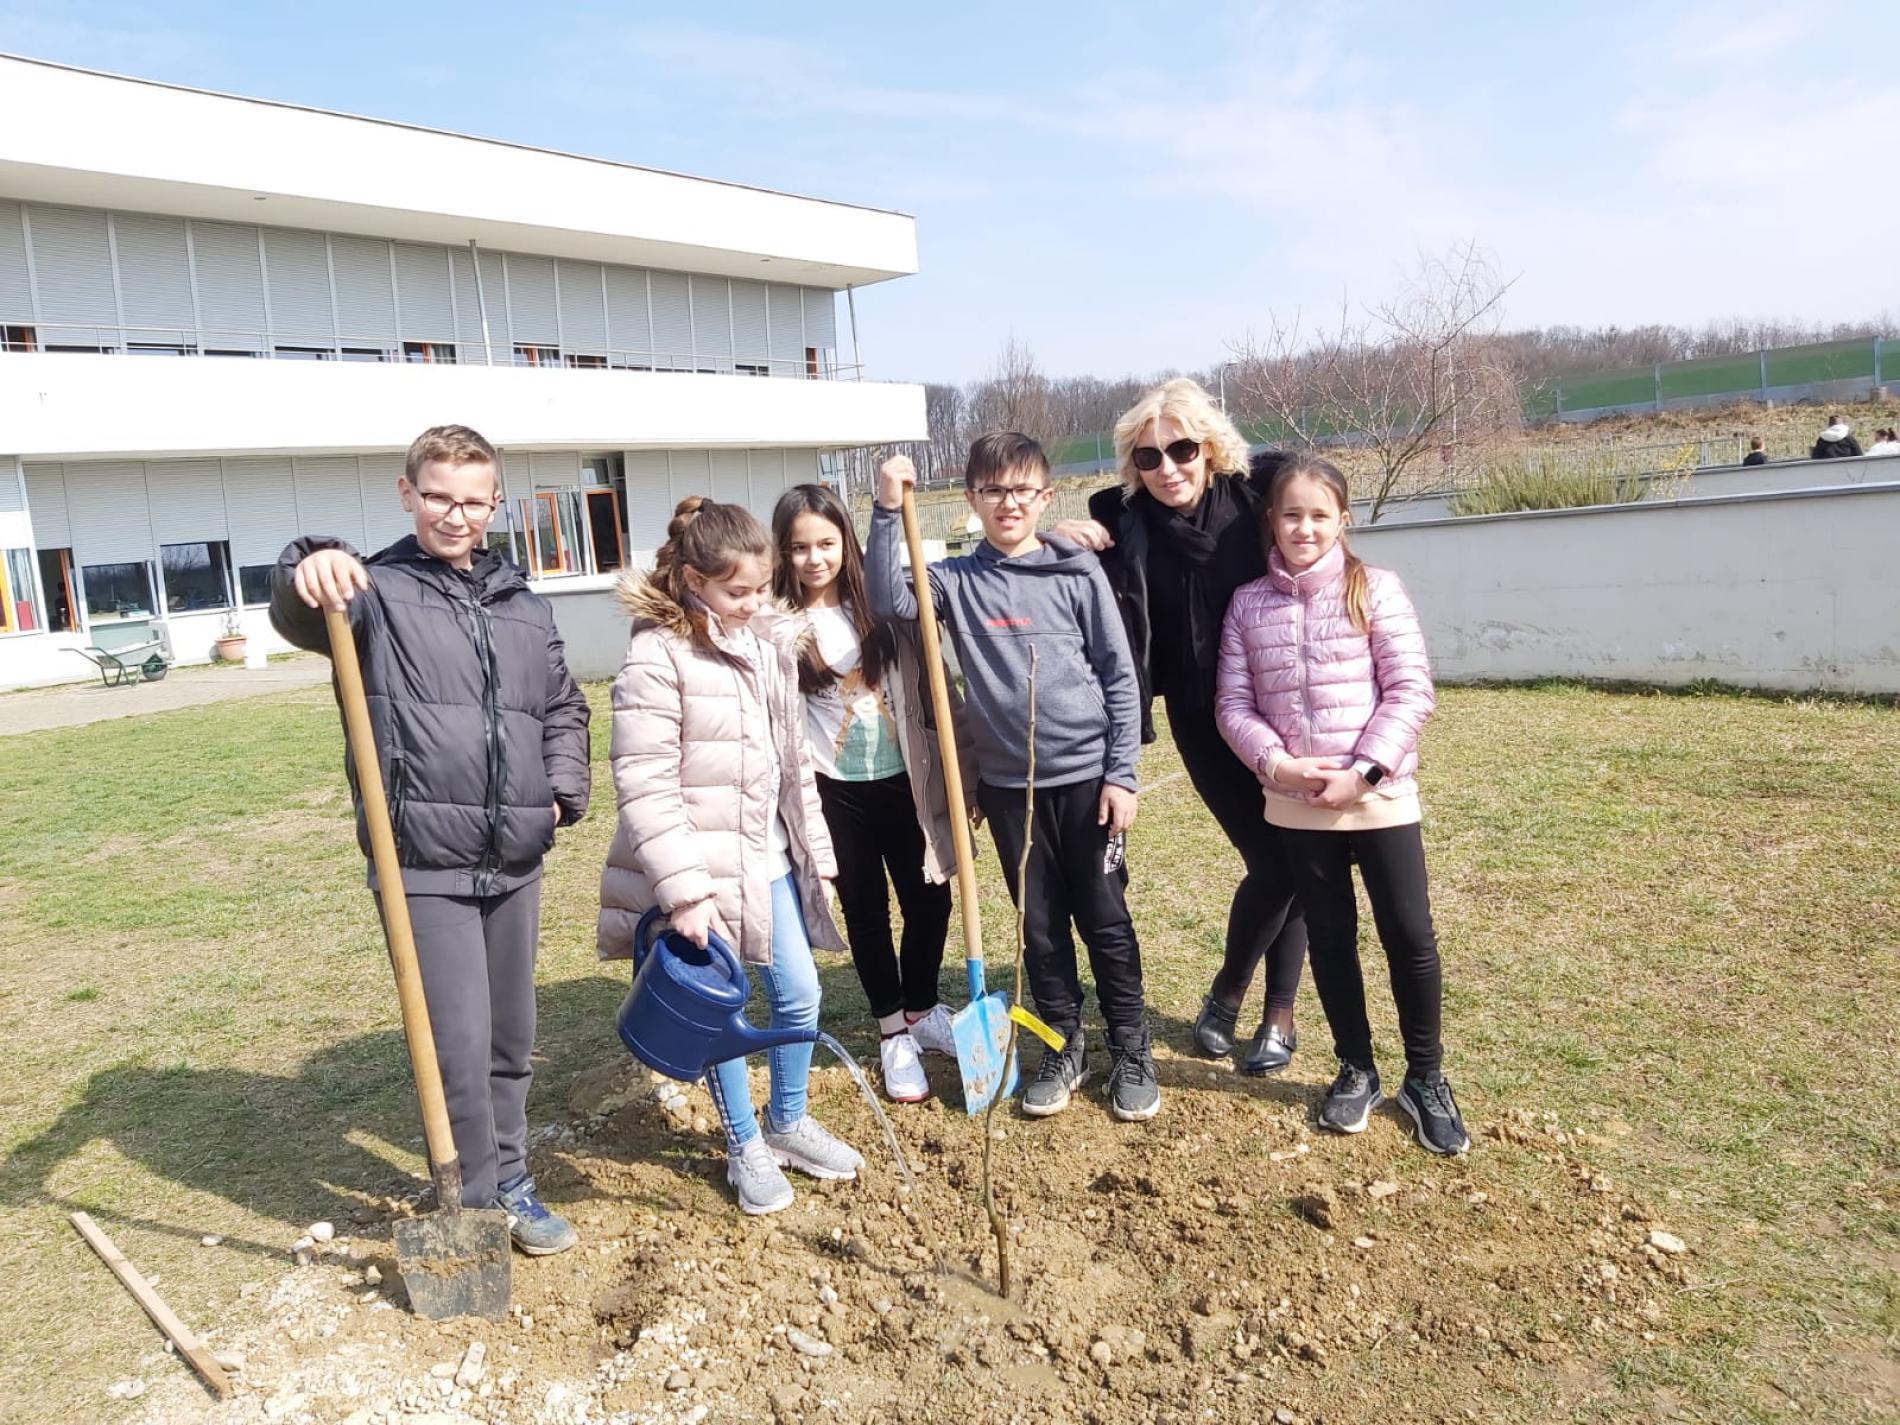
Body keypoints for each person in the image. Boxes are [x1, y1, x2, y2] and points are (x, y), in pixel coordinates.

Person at [270, 423, 592, 1253]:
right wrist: (309, 563)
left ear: (496, 503)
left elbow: (563, 705)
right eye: (439, 496)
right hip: (422, 861)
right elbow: (303, 610)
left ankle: (512, 1179)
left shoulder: (524, 605)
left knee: (510, 1040)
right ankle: (474, 1204)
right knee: (457, 1047)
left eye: (474, 501)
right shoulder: (374, 592)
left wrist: (559, 795)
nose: (457, 515)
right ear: (407, 492)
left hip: (515, 858)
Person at [867, 436, 1160, 1122]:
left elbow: (1120, 677)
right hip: (1008, 789)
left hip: (1087, 780)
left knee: (1105, 918)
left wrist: (1121, 774)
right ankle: (1063, 1044)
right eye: (993, 490)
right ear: (971, 499)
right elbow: (887, 597)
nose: (1009, 503)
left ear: (1045, 497)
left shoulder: (1076, 572)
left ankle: (1132, 1047)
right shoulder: (957, 581)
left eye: (1023, 490)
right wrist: (884, 510)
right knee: (1040, 924)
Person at [596, 496, 861, 1216]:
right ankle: (744, 1142)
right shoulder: (658, 656)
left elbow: (793, 761)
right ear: (693, 580)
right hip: (702, 873)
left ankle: (787, 1121)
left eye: (760, 589)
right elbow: (644, 783)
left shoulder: (767, 643)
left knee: (801, 992)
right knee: (721, 1009)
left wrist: (816, 849)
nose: (753, 604)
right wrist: (685, 893)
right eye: (737, 592)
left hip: (768, 859)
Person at [1214, 453, 1469, 1157]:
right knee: (1330, 938)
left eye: (1319, 515)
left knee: (1409, 935)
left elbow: (1411, 690)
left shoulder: (1375, 588)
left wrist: (1363, 772)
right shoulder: (1248, 604)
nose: (1305, 528)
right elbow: (1233, 704)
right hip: (1298, 803)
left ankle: (1425, 1076)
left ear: (1343, 519)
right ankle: (1356, 1066)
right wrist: (1278, 765)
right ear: (1272, 520)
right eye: (1291, 514)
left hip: (1379, 797)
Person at [1055, 378, 1309, 1075]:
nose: (1167, 468)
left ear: (1210, 448)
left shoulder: (1258, 501)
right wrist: (1057, 536)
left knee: (1297, 859)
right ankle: (1231, 991)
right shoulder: (1122, 521)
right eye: (1149, 456)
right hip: (1200, 715)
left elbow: (1318, 516)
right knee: (1274, 860)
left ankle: (1269, 1009)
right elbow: (1040, 559)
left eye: (1182, 450)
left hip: (1280, 706)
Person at [771, 483, 969, 1104]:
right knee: (866, 910)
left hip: (905, 778)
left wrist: (964, 773)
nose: (814, 558)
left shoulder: (884, 607)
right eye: (799, 547)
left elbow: (939, 686)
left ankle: (922, 1008)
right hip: (834, 789)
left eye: (826, 543)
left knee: (931, 898)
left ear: (846, 543)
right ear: (783, 553)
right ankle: (892, 1031)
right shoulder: (776, 626)